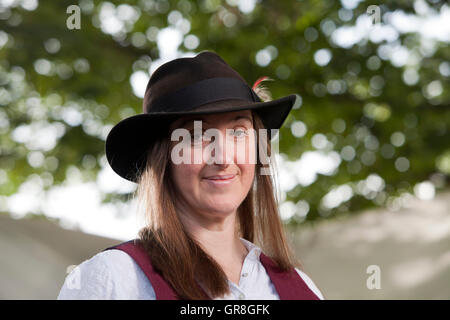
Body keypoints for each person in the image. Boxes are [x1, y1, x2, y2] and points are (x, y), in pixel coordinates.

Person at [57, 51, 324, 300]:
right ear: (163, 159)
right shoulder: (114, 280)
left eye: (239, 132)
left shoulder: (302, 288)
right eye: (196, 135)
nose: (223, 157)